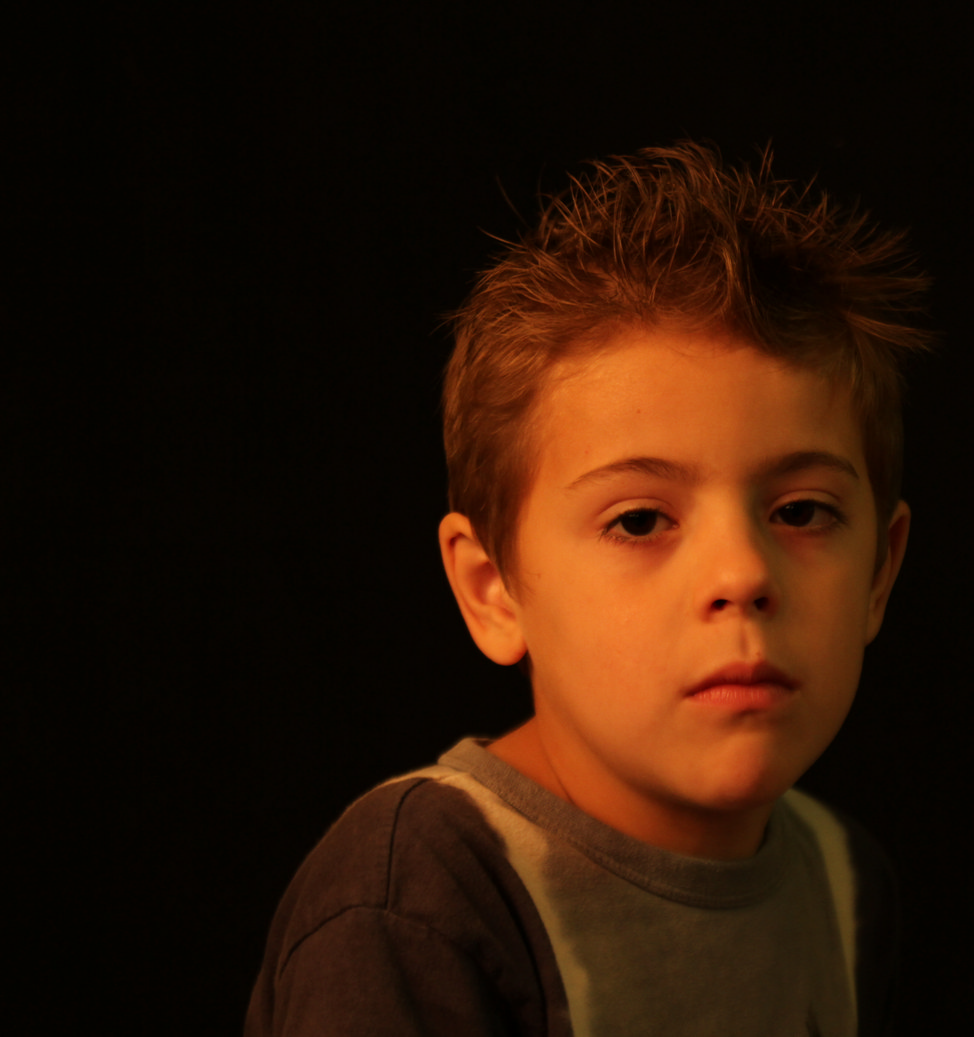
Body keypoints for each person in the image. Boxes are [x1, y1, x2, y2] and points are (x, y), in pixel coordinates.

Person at [245, 141, 931, 1036]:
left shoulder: (845, 885)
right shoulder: (421, 896)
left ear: (880, 570)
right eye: (640, 521)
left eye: (800, 511)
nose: (743, 574)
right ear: (493, 590)